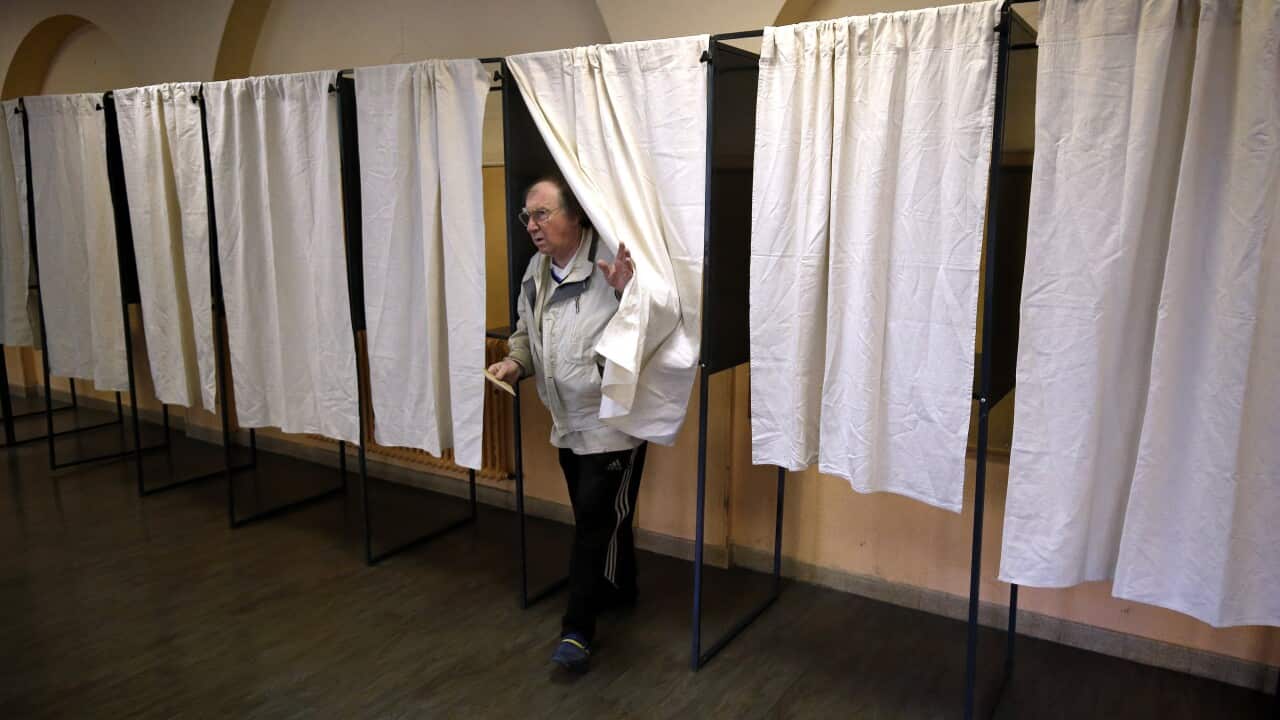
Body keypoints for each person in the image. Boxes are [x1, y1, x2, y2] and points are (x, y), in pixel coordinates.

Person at [487, 176, 644, 674]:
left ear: (575, 216)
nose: (532, 225)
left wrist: (627, 295)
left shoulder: (610, 266)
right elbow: (525, 333)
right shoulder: (535, 272)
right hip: (566, 423)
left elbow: (646, 331)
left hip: (611, 424)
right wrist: (515, 362)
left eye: (543, 214)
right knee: (599, 521)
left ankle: (577, 630)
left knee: (592, 528)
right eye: (527, 216)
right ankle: (621, 588)